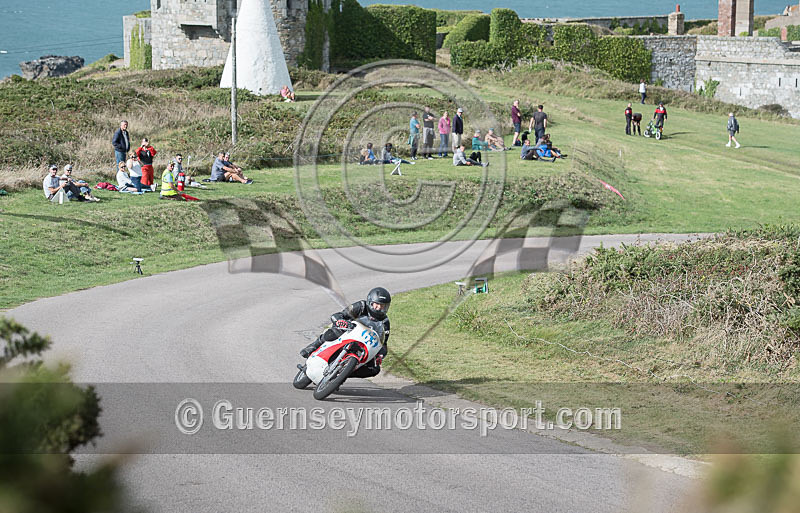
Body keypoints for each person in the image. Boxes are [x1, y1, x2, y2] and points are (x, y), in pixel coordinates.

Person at [299, 287, 392, 379]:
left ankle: (342, 375)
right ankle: (313, 346)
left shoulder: (385, 321)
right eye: (377, 304)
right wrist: (341, 321)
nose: (379, 308)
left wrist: (380, 356)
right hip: (347, 332)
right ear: (370, 302)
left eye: (383, 306)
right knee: (336, 331)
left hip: (363, 345)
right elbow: (338, 315)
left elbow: (383, 344)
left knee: (374, 369)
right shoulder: (361, 306)